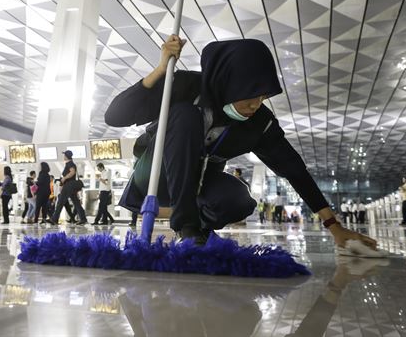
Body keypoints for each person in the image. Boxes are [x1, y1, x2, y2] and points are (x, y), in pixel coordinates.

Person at [105, 35, 376, 250]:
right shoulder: (185, 87)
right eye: (249, 94)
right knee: (185, 115)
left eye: (262, 96)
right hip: (154, 174)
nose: (255, 104)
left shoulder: (259, 124)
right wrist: (161, 70)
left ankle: (191, 221)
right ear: (227, 82)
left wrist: (335, 227)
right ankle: (186, 227)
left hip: (199, 184)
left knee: (239, 201)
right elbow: (115, 116)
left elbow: (294, 170)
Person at [47, 150, 88, 225]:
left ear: (66, 156)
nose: (63, 156)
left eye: (64, 155)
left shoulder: (70, 163)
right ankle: (83, 218)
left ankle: (54, 219)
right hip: (71, 186)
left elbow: (72, 172)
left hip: (69, 186)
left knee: (60, 202)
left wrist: (65, 178)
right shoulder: (69, 163)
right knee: (76, 202)